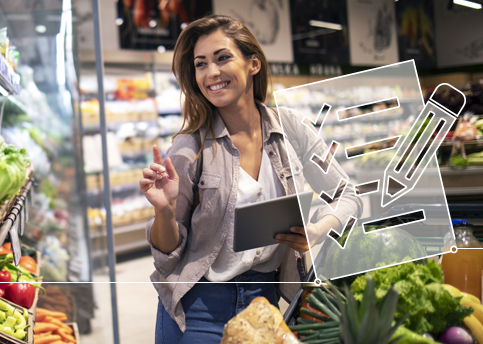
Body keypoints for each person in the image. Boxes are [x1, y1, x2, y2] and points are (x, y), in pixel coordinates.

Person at [140, 14, 362, 343]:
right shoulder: (189, 148)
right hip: (200, 308)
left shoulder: (292, 130)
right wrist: (165, 211)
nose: (211, 73)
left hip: (267, 301)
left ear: (253, 63)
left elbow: (348, 195)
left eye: (223, 58)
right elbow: (167, 251)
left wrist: (315, 231)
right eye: (200, 64)